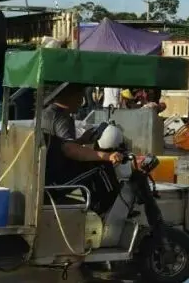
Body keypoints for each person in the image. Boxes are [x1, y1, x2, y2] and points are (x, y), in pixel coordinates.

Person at [41, 83, 126, 213]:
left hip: (46, 175)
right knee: (100, 167)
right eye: (80, 95)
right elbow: (70, 150)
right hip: (54, 183)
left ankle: (97, 206)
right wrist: (108, 156)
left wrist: (81, 140)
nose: (82, 101)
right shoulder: (62, 118)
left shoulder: (46, 113)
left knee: (90, 164)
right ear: (71, 96)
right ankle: (110, 211)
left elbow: (60, 146)